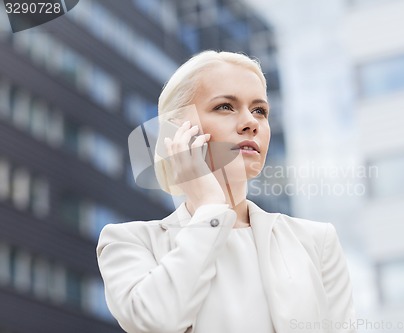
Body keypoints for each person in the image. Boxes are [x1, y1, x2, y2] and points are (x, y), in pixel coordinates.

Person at [96, 50, 356, 333]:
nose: (251, 123)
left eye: (260, 111)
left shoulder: (316, 242)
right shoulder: (130, 243)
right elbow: (157, 320)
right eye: (225, 107)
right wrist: (210, 207)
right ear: (176, 131)